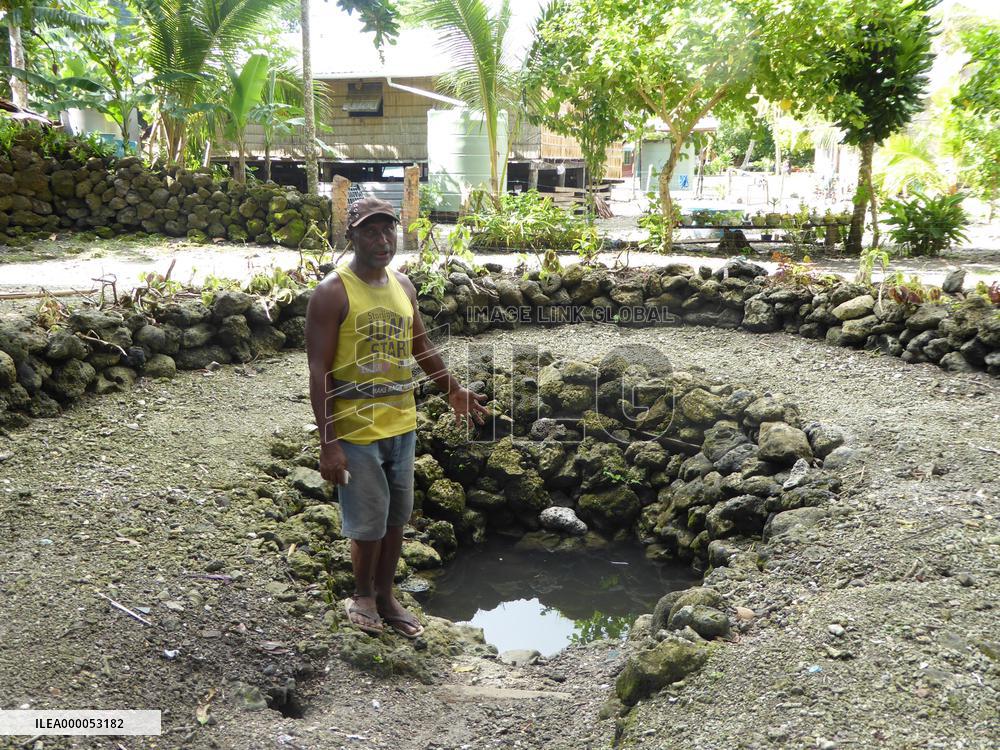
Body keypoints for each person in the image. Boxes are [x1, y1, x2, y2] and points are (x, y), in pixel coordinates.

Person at [305, 197, 489, 638]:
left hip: (402, 424)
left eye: (388, 229)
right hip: (355, 430)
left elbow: (420, 346)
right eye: (370, 231)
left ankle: (387, 597)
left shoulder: (403, 286)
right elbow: (318, 371)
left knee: (395, 518)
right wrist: (328, 444)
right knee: (368, 522)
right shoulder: (333, 292)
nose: (382, 239)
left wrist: (453, 389)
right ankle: (363, 596)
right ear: (351, 236)